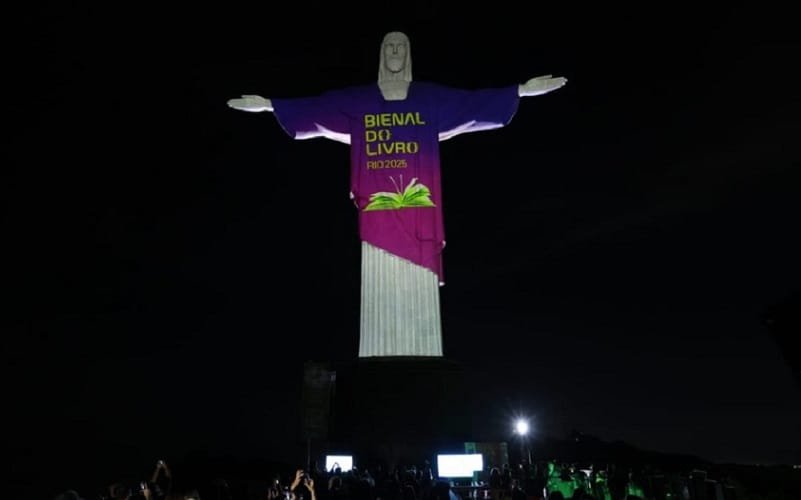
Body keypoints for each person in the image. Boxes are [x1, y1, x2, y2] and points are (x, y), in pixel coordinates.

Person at [228, 31, 566, 357]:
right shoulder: (358, 101)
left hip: (419, 211)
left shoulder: (429, 99)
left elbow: (472, 103)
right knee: (377, 288)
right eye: (388, 46)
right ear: (380, 53)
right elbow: (317, 108)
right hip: (377, 214)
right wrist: (271, 105)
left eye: (399, 46)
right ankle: (378, 357)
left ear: (408, 54)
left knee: (421, 301)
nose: (393, 52)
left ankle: (421, 356)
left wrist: (520, 90)